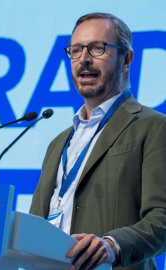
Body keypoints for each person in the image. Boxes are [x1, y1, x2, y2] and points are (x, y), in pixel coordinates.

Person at [29, 12, 166, 270]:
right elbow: (35, 224)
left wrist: (113, 245)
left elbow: (162, 218)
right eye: (76, 50)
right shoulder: (58, 143)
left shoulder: (154, 127)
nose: (84, 59)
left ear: (126, 59)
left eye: (97, 48)